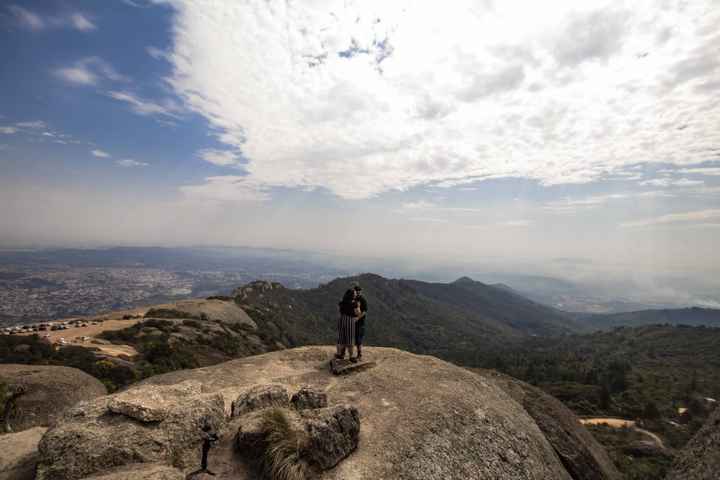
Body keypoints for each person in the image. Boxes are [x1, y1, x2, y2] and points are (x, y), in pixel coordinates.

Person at [336, 288, 360, 362]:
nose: (356, 294)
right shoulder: (354, 303)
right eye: (355, 293)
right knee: (350, 339)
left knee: (341, 338)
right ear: (352, 295)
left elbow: (339, 311)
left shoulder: (341, 302)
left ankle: (339, 354)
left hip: (341, 319)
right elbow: (357, 313)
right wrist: (358, 306)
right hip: (350, 320)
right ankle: (351, 356)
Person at [353, 285, 368, 360]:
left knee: (358, 339)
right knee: (356, 338)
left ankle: (359, 354)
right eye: (357, 291)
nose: (358, 293)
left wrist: (358, 318)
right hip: (353, 322)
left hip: (360, 322)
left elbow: (364, 312)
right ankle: (357, 354)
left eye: (359, 291)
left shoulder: (363, 300)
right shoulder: (353, 298)